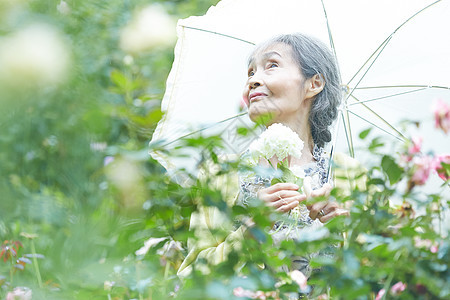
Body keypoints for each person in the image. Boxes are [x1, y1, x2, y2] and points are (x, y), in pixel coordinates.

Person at [177, 33, 365, 280]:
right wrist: (251, 231)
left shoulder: (349, 173)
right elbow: (191, 279)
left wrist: (346, 230)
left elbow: (379, 276)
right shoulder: (219, 173)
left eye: (272, 66)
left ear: (314, 83)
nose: (253, 81)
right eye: (251, 73)